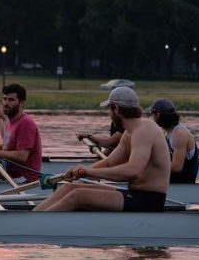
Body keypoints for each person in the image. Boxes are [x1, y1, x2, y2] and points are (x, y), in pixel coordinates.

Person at [34, 87, 171, 212]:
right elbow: (109, 163)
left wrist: (88, 171)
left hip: (149, 201)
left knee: (78, 195)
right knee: (70, 187)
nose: (109, 115)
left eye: (109, 110)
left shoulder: (144, 130)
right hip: (134, 195)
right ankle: (33, 217)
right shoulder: (129, 133)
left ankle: (33, 226)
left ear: (116, 109)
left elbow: (133, 171)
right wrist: (81, 173)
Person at [0, 83, 42, 182]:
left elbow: (21, 156)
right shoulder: (12, 122)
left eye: (11, 100)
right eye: (5, 99)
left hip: (23, 178)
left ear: (21, 103)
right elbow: (9, 147)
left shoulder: (25, 123)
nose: (6, 103)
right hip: (8, 172)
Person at [149, 98, 199, 183]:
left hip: (184, 183)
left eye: (153, 116)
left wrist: (150, 170)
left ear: (158, 115)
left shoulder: (180, 134)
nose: (152, 119)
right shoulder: (166, 132)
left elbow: (177, 167)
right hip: (171, 180)